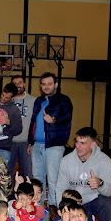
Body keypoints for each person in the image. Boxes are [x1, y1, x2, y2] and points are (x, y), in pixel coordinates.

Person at [55, 127, 111, 221]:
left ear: (92, 144)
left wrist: (100, 184)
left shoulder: (104, 161)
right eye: (77, 142)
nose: (77, 146)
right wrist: (62, 209)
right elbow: (60, 187)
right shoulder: (66, 161)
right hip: (77, 203)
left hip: (95, 199)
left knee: (109, 202)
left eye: (82, 143)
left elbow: (110, 190)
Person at [28, 72, 73, 208]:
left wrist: (54, 120)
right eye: (43, 84)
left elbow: (67, 118)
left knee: (53, 180)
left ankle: (53, 209)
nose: (46, 87)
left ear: (56, 85)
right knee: (37, 179)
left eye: (49, 84)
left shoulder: (63, 100)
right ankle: (39, 208)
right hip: (37, 145)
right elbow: (33, 122)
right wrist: (31, 142)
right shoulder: (39, 101)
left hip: (54, 146)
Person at [8, 75, 36, 178]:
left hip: (26, 142)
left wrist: (33, 142)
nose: (18, 85)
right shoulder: (7, 101)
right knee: (7, 173)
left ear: (24, 84)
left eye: (20, 82)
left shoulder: (34, 101)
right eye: (15, 83)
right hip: (9, 142)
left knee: (28, 173)